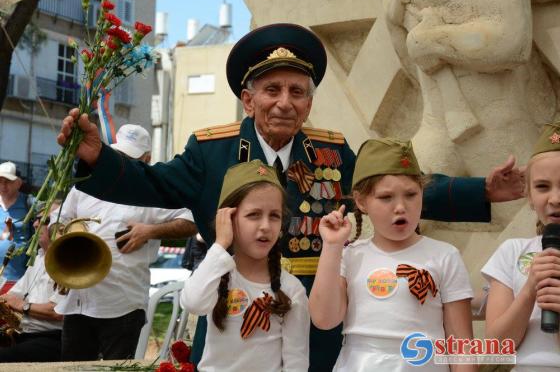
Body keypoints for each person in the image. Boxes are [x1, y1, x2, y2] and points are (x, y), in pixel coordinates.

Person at [57, 23, 523, 370]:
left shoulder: (331, 150)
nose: (285, 101)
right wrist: (99, 159)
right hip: (231, 313)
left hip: (312, 316)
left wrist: (480, 189)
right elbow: (154, 184)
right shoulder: (212, 150)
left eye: (297, 91)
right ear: (248, 98)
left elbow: (387, 186)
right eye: (272, 89)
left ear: (309, 102)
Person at [310, 138, 474, 371]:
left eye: (411, 194)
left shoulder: (444, 256)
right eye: (386, 197)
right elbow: (324, 319)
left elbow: (461, 345)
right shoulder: (350, 256)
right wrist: (332, 246)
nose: (400, 206)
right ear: (361, 202)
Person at [53, 124, 197, 361]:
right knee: (72, 368)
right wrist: (63, 262)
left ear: (147, 159)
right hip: (78, 301)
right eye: (118, 155)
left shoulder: (152, 189)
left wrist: (150, 231)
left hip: (123, 303)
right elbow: (59, 220)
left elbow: (192, 219)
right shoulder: (86, 185)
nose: (121, 163)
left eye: (129, 158)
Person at [182, 160, 309, 371]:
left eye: (274, 216)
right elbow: (193, 303)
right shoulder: (216, 275)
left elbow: (296, 361)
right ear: (228, 219)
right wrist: (220, 244)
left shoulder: (291, 289)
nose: (266, 226)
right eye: (253, 215)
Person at [482, 121, 560, 371]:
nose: (555, 199)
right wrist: (529, 290)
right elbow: (496, 349)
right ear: (528, 195)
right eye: (542, 187)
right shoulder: (513, 252)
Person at [0, 205, 64, 362]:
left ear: (62, 226)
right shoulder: (38, 259)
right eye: (36, 219)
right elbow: (11, 296)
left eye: (45, 220)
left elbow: (58, 313)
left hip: (52, 339)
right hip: (26, 335)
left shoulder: (68, 262)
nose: (36, 224)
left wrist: (24, 306)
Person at [0, 161, 33, 288]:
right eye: (0, 181)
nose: (3, 186)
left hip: (18, 279)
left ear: (18, 183)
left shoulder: (29, 203)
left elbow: (53, 209)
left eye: (7, 181)